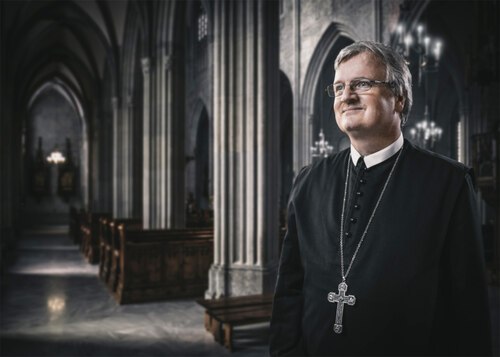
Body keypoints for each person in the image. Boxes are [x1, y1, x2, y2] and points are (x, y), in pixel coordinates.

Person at [269, 41, 492, 356]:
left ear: (398, 99)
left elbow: (468, 310)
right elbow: (289, 291)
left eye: (362, 84)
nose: (346, 96)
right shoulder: (308, 181)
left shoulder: (449, 184)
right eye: (339, 87)